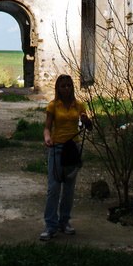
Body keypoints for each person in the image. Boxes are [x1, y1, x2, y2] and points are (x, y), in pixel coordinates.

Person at [40, 73, 92, 241]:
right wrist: (47, 138)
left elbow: (88, 127)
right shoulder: (53, 106)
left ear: (72, 87)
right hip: (56, 148)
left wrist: (85, 120)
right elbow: (47, 127)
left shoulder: (79, 106)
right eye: (63, 86)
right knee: (53, 188)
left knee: (69, 188)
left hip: (72, 148)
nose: (66, 89)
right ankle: (50, 225)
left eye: (69, 85)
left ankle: (64, 222)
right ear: (58, 89)